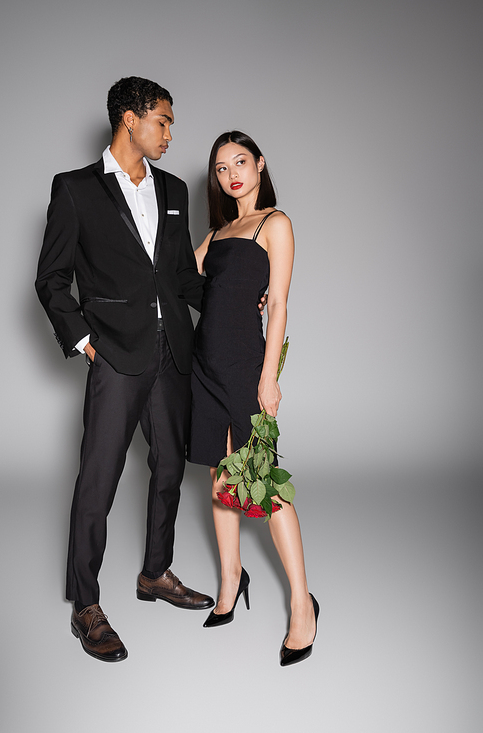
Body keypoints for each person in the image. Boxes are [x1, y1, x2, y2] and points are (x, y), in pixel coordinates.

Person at [35, 77, 215, 663]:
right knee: (98, 480)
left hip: (171, 354)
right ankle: (85, 604)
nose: (168, 134)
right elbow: (51, 280)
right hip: (115, 353)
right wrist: (84, 340)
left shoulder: (172, 189)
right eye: (162, 120)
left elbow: (180, 278)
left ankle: (155, 573)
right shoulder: (74, 190)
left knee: (168, 468)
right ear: (130, 119)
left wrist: (230, 298)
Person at [188, 131, 319, 666]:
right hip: (204, 367)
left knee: (262, 482)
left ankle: (301, 604)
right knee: (219, 477)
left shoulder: (275, 223)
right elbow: (179, 280)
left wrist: (269, 377)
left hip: (245, 366)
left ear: (260, 165)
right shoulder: (218, 232)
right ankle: (229, 581)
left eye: (240, 162)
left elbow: (280, 304)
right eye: (220, 168)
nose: (231, 174)